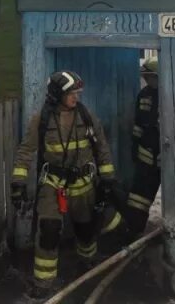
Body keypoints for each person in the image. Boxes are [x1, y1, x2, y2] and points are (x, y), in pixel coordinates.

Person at [10, 71, 118, 298]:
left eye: (78, 93)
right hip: (52, 185)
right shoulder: (41, 119)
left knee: (87, 231)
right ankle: (44, 282)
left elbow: (102, 148)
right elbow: (25, 151)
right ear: (57, 94)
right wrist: (18, 183)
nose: (76, 98)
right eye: (71, 93)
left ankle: (88, 264)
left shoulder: (86, 116)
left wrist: (108, 178)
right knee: (48, 231)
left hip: (84, 185)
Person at [125, 58, 161, 233]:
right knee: (138, 197)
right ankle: (135, 229)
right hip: (146, 154)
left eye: (149, 77)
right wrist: (135, 145)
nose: (146, 80)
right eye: (145, 77)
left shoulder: (170, 93)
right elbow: (138, 123)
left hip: (165, 155)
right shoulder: (144, 94)